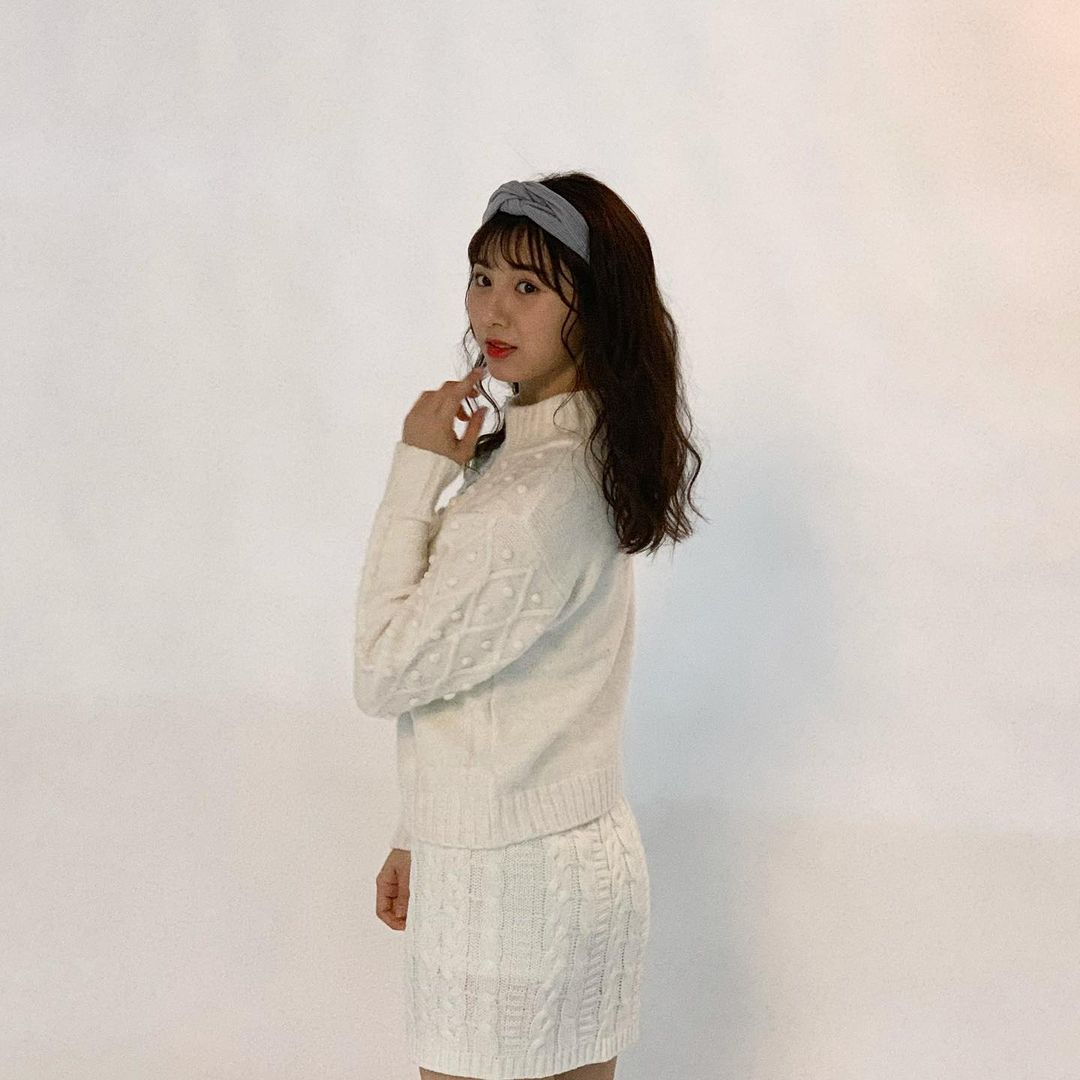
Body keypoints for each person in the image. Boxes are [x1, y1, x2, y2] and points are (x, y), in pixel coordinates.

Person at [355, 173, 706, 1080]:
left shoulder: (530, 497)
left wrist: (416, 471)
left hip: (508, 886)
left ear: (595, 308)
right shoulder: (575, 451)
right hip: (560, 859)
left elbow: (384, 671)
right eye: (483, 277)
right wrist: (416, 829)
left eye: (530, 286)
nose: (493, 310)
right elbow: (495, 683)